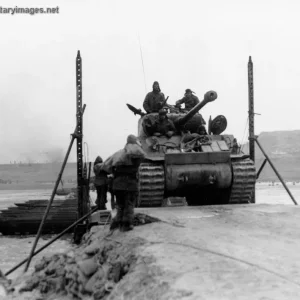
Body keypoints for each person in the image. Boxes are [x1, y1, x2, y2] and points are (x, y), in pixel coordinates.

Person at [110, 135, 146, 231]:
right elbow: (142, 157)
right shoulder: (134, 154)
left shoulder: (118, 154)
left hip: (117, 184)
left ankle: (117, 222)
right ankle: (126, 224)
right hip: (130, 184)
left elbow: (109, 167)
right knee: (129, 204)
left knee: (120, 204)